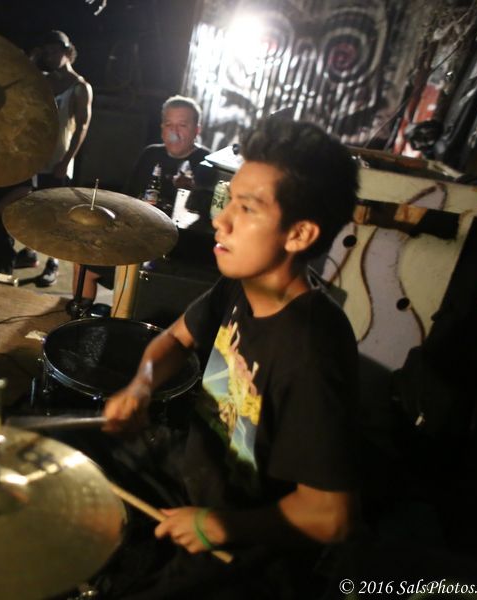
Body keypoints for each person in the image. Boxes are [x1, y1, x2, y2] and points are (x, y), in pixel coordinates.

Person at [98, 116, 360, 598]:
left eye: (247, 208)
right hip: (195, 475)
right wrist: (141, 385)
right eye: (229, 200)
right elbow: (174, 339)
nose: (222, 219)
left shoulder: (312, 352)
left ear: (299, 234)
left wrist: (219, 526)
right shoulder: (241, 284)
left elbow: (330, 515)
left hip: (249, 541)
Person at [78, 95, 213, 304]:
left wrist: (193, 190)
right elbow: (125, 199)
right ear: (161, 128)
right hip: (138, 238)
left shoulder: (207, 163)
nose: (174, 132)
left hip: (176, 250)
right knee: (83, 263)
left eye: (182, 125)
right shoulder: (151, 154)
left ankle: (122, 314)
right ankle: (81, 314)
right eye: (169, 124)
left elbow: (209, 219)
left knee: (135, 281)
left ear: (197, 130)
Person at [16, 30, 93, 287]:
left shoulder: (80, 86)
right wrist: (32, 58)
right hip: (36, 155)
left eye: (53, 51)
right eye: (46, 52)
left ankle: (53, 261)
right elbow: (20, 83)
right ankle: (30, 252)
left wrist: (67, 161)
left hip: (59, 157)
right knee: (32, 206)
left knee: (55, 212)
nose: (49, 56)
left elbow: (82, 126)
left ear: (67, 52)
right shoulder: (44, 79)